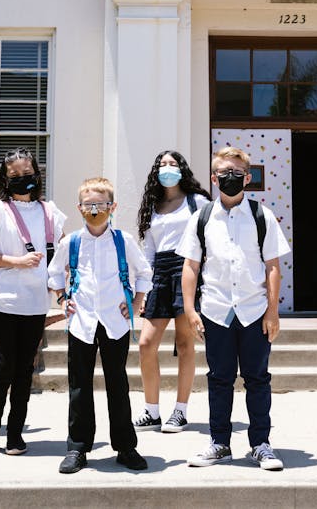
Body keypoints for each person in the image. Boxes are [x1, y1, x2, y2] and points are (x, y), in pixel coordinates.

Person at [178, 146, 291, 471]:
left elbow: (272, 266)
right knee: (219, 379)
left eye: (236, 173)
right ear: (213, 178)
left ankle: (261, 444)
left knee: (258, 379)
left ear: (248, 177)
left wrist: (272, 310)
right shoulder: (201, 217)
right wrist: (189, 309)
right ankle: (219, 443)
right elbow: (190, 266)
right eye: (224, 173)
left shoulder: (261, 216)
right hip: (216, 311)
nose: (230, 178)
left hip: (254, 311)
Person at [48, 177, 153, 474]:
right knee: (79, 386)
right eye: (88, 204)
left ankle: (125, 446)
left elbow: (145, 273)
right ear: (80, 208)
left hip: (114, 322)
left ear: (112, 206)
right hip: (81, 321)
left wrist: (136, 303)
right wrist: (61, 299)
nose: (95, 209)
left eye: (101, 204)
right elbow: (54, 274)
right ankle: (78, 447)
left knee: (117, 384)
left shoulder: (124, 240)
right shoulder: (71, 242)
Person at [0, 148, 67, 456]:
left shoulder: (51, 212)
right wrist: (16, 261)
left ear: (36, 174)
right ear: (4, 177)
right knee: (2, 367)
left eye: (26, 173)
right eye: (13, 175)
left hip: (36, 302)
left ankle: (15, 433)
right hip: (3, 299)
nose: (21, 179)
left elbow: (61, 258)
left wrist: (64, 293)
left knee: (26, 369)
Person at [133, 151, 211, 433]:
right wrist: (144, 287)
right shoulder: (152, 206)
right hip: (160, 274)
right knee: (146, 344)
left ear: (182, 170)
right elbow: (149, 250)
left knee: (184, 344)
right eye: (163, 164)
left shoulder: (197, 202)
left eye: (173, 164)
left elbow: (208, 240)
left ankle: (180, 410)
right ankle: (151, 411)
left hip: (187, 269)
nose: (168, 168)